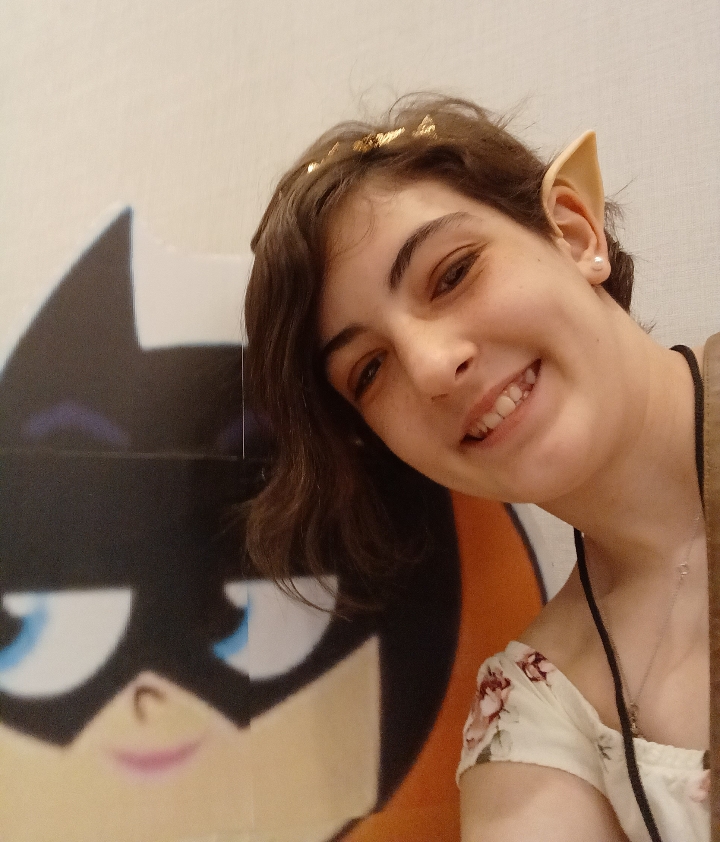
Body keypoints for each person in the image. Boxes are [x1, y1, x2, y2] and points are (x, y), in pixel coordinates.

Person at [244, 96, 710, 842]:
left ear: (574, 230)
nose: (432, 368)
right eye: (370, 370)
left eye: (453, 273)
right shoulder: (535, 715)